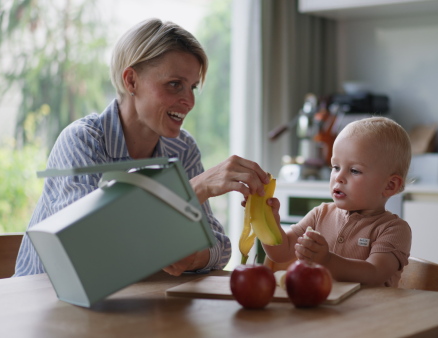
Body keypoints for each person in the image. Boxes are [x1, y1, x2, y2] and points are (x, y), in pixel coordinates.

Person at [14, 18, 270, 277]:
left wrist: (194, 257)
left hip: (128, 305)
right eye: (174, 84)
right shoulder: (83, 141)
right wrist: (196, 189)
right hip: (42, 305)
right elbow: (84, 249)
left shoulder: (182, 149)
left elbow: (219, 245)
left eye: (192, 87)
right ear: (131, 81)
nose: (189, 101)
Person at [263, 116, 412, 286]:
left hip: (370, 311)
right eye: (335, 167)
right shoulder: (320, 214)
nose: (338, 177)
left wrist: (327, 260)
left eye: (354, 170)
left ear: (390, 185)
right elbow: (281, 252)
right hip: (322, 310)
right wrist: (267, 220)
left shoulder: (394, 230)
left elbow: (374, 273)